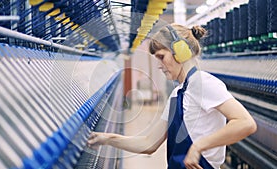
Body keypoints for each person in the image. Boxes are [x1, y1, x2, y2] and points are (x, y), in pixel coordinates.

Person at [87, 23, 257, 169]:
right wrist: (107, 138)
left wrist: (199, 146)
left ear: (181, 52)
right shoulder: (177, 94)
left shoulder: (203, 83)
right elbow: (149, 143)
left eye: (162, 57)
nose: (159, 66)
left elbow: (245, 123)